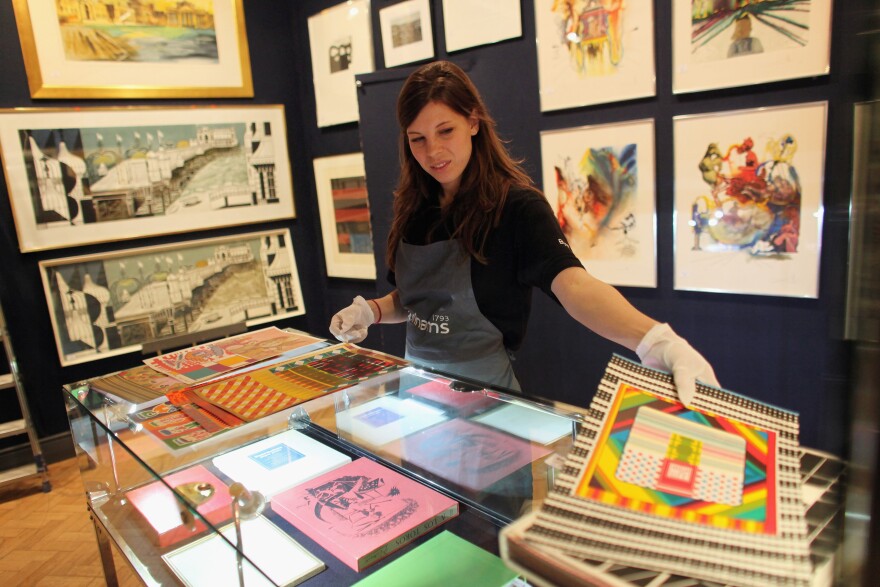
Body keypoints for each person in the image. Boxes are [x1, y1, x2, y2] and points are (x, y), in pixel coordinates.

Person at [329, 60, 718, 406]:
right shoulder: (414, 208)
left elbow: (575, 286)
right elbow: (415, 301)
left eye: (445, 131)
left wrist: (654, 340)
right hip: (417, 397)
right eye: (418, 139)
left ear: (474, 122)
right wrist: (373, 311)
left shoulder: (515, 208)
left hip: (486, 403)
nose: (433, 152)